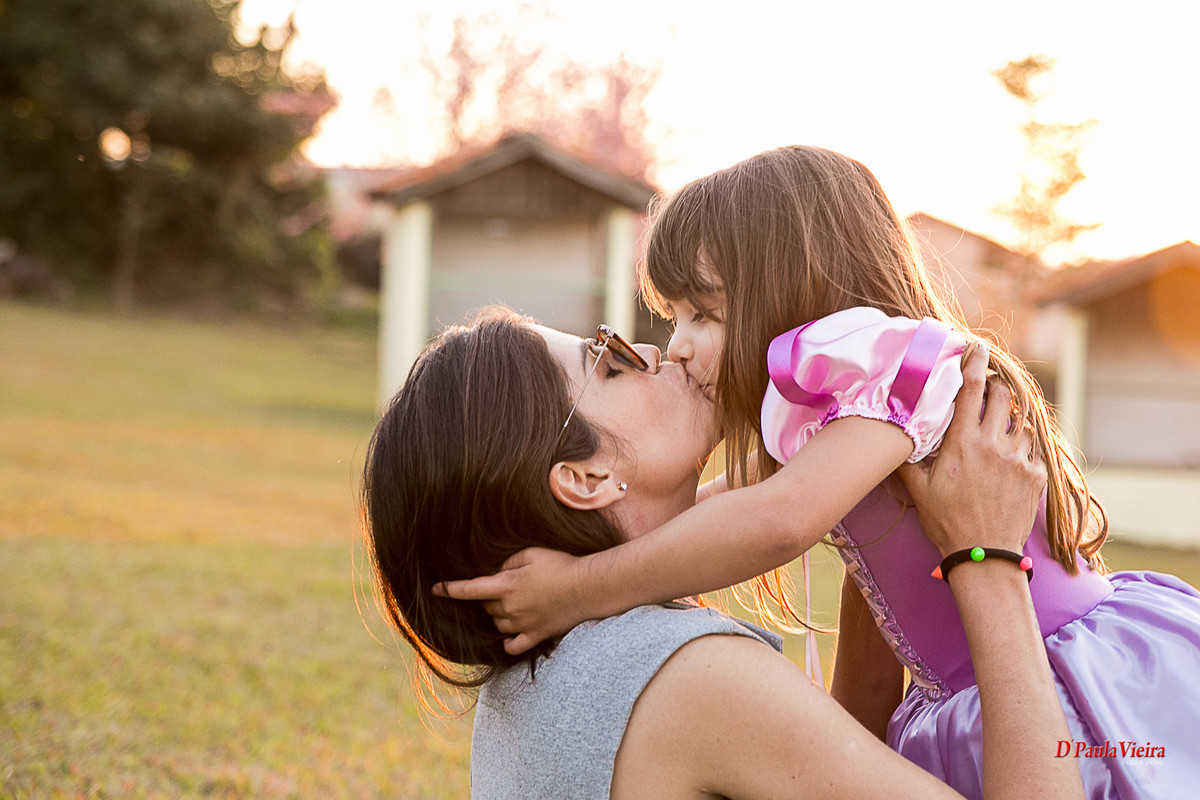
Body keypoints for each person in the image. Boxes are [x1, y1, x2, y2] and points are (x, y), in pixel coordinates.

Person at [438, 147, 1200, 799]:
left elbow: (777, 520)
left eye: (702, 314)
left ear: (793, 289)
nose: (676, 346)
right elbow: (742, 515)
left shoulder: (898, 364)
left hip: (1057, 678)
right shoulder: (839, 414)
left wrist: (579, 588)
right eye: (674, 316)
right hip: (967, 694)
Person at [363, 308, 1082, 799]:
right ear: (584, 479)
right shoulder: (683, 674)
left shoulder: (541, 682)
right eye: (609, 363)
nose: (654, 351)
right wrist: (985, 556)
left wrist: (871, 515)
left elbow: (826, 768)